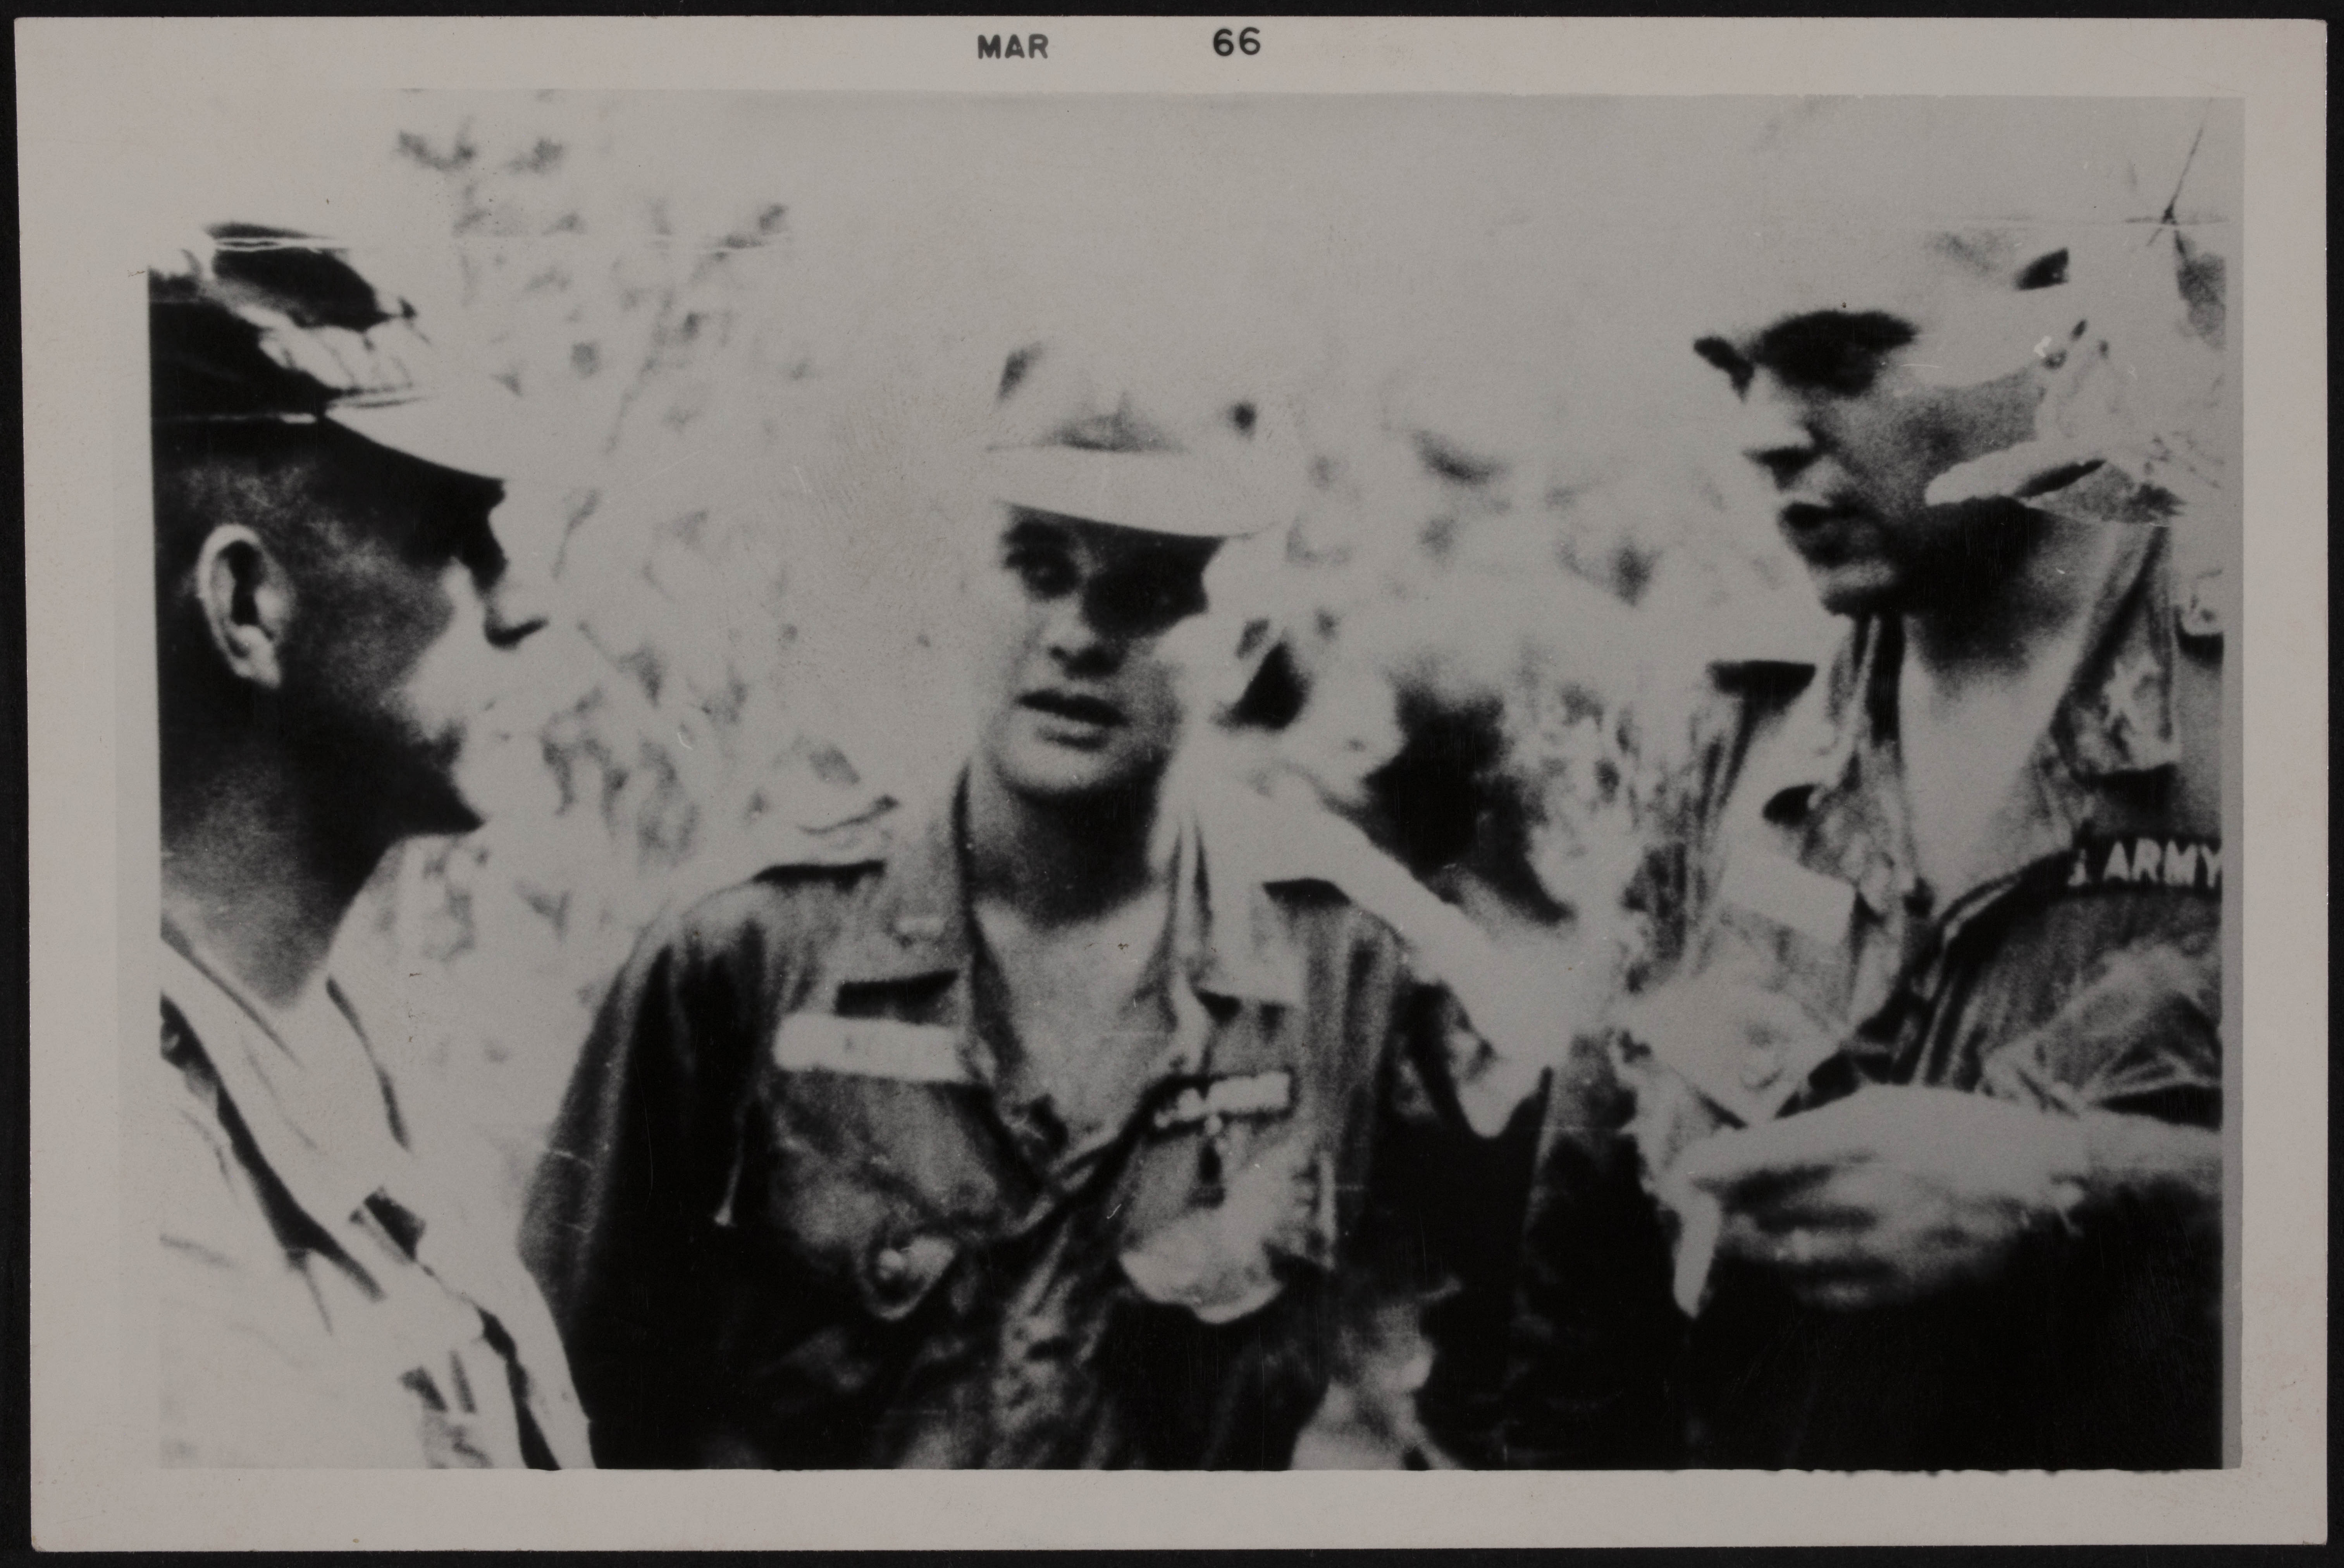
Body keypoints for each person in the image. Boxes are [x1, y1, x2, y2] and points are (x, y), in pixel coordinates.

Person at [522, 340, 1576, 1469]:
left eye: (1151, 590)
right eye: (1038, 565)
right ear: (963, 591)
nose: (1078, 633)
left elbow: (1555, 1353)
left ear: (1246, 644)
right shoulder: (743, 955)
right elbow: (564, 1409)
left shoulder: (1356, 965)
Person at [1505, 211, 2228, 1469]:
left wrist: (2082, 1186)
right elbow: (1588, 1267)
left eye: (1840, 358)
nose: (1759, 432)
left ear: (2064, 332)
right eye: (1735, 372)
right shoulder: (1729, 729)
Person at [152, 225, 590, 1467]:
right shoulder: (144, 1181)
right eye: (461, 532)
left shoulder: (339, 1046)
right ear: (249, 606)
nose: (526, 600)